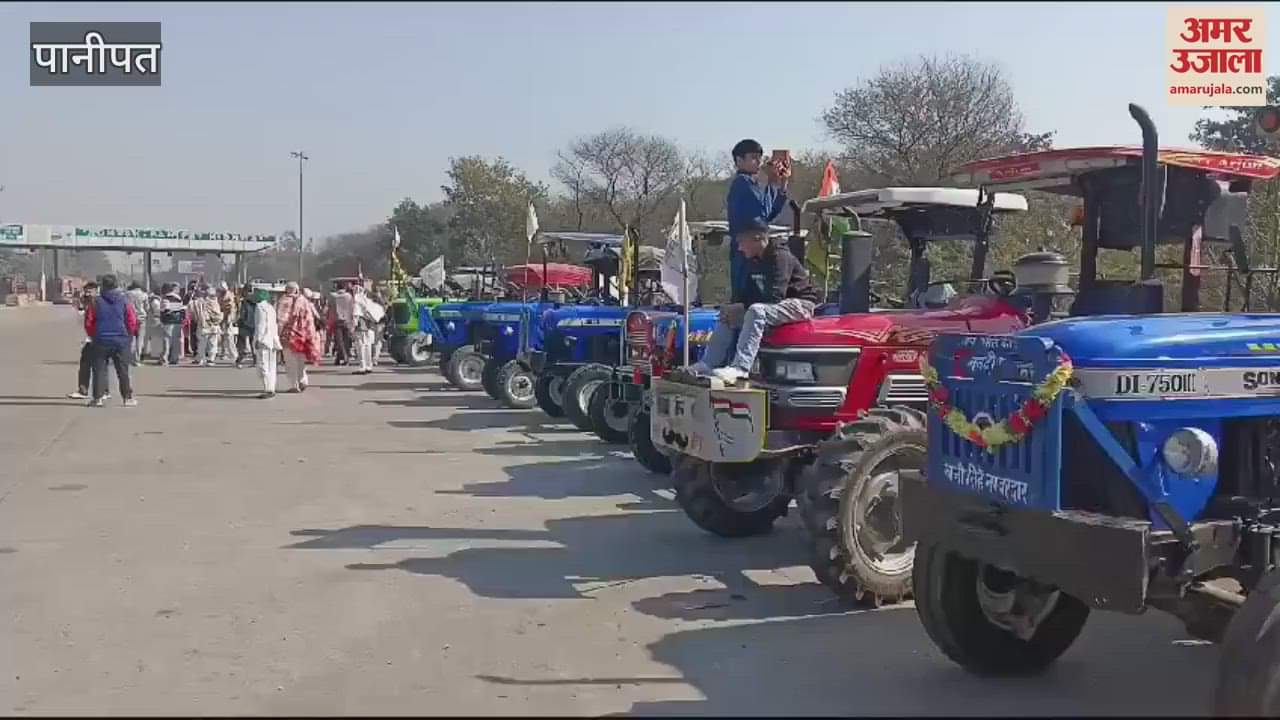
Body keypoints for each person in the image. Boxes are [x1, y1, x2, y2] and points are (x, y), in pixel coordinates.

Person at [689, 218, 819, 384]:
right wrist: (733, 308)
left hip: (799, 304)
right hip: (774, 305)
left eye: (742, 242)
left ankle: (740, 368)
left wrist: (743, 307)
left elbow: (775, 296)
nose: (740, 248)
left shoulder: (780, 257)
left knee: (757, 310)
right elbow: (746, 293)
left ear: (758, 238)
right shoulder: (753, 261)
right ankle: (708, 363)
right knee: (728, 314)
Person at [726, 139, 791, 293]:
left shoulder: (753, 184)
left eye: (760, 158)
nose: (759, 162)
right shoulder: (743, 183)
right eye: (754, 157)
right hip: (745, 249)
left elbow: (768, 215)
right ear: (739, 160)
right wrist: (774, 182)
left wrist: (783, 183)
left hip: (755, 249)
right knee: (745, 294)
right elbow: (764, 210)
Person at [83, 274, 139, 407]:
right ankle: (127, 398)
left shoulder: (95, 301)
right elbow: (131, 320)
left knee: (99, 370)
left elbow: (89, 321)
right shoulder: (124, 300)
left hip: (101, 339)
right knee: (123, 370)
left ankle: (98, 398)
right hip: (121, 339)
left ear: (102, 286)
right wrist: (128, 335)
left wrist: (93, 335)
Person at [68, 281, 110, 400]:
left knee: (96, 365)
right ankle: (102, 391)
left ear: (96, 291)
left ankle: (86, 390)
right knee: (93, 365)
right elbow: (80, 317)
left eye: (90, 291)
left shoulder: (100, 303)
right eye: (86, 291)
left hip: (97, 337)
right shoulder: (85, 303)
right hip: (90, 338)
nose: (87, 294)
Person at [276, 282, 321, 393]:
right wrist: (311, 336)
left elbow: (281, 320)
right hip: (302, 336)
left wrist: (277, 334)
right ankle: (303, 380)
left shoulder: (283, 301)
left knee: (290, 362)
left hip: (288, 336)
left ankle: (294, 385)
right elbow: (310, 320)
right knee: (301, 361)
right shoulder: (304, 301)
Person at [251, 288, 281, 399]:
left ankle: (267, 389)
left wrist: (258, 339)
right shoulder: (271, 308)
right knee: (272, 366)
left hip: (263, 340)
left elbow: (261, 325)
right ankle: (271, 388)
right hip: (272, 340)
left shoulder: (259, 307)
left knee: (263, 365)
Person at [351, 285, 384, 375]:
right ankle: (369, 365)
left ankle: (362, 366)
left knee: (360, 347)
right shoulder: (366, 301)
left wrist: (352, 327)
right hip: (368, 327)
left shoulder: (357, 301)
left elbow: (356, 315)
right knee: (367, 346)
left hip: (360, 327)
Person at [189, 286, 224, 366]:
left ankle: (201, 359)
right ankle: (210, 359)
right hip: (214, 326)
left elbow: (191, 310)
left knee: (202, 343)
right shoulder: (215, 303)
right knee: (212, 343)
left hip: (203, 326)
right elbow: (219, 314)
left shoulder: (198, 302)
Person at [157, 283, 187, 366]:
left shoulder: (165, 298)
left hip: (168, 321)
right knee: (176, 340)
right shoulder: (179, 298)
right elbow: (182, 310)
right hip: (177, 322)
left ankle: (164, 358)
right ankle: (174, 358)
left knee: (167, 340)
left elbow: (164, 309)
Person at [330, 282, 355, 366]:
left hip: (337, 320)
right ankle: (341, 358)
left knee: (339, 341)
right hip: (347, 320)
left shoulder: (334, 296)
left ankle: (344, 358)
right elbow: (352, 308)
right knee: (346, 341)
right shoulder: (349, 296)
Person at [125, 281, 149, 365]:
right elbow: (147, 307)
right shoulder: (144, 294)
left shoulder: (127, 294)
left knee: (130, 339)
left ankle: (128, 358)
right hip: (141, 318)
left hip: (130, 318)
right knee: (140, 340)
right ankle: (136, 359)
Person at [235, 283, 257, 368]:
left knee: (241, 342)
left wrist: (240, 320)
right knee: (252, 343)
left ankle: (240, 359)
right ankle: (255, 359)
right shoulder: (255, 299)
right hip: (253, 323)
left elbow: (242, 312)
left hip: (245, 323)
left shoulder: (244, 300)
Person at [218, 282, 240, 363]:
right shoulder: (220, 295)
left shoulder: (229, 295)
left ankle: (234, 354)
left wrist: (230, 319)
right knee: (222, 337)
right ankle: (224, 353)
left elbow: (231, 308)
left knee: (230, 337)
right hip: (222, 318)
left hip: (228, 318)